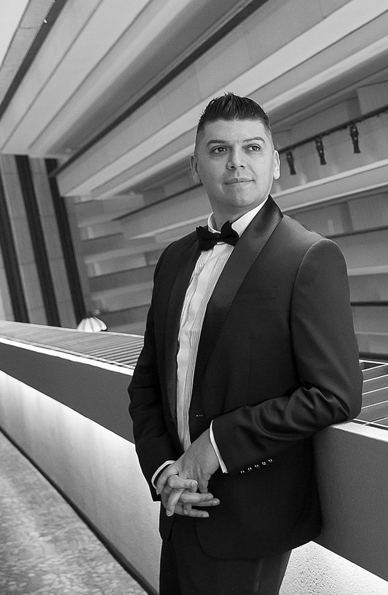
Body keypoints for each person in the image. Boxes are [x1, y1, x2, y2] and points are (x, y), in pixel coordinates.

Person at [128, 93, 363, 595]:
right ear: (197, 166)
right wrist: (163, 470)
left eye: (252, 148)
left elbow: (335, 393)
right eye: (218, 151)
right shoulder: (173, 260)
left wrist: (214, 447)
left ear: (275, 164)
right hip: (180, 505)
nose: (237, 163)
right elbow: (147, 380)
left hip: (249, 514)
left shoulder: (308, 258)